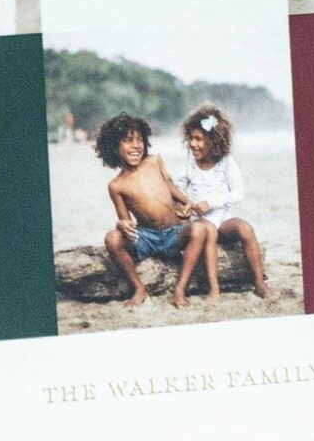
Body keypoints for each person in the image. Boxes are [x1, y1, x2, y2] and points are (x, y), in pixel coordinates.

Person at [97, 115, 214, 307]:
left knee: (199, 229)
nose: (136, 146)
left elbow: (169, 186)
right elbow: (126, 223)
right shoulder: (116, 185)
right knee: (112, 238)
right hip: (147, 238)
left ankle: (179, 289)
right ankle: (139, 288)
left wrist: (188, 202)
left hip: (174, 232)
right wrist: (121, 225)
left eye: (140, 140)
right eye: (128, 140)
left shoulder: (154, 161)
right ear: (114, 146)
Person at [170, 104, 271, 299]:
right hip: (202, 222)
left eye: (198, 139)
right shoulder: (190, 163)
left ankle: (259, 283)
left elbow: (238, 192)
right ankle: (213, 288)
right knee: (207, 229)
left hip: (224, 221)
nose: (192, 144)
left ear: (213, 141)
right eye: (190, 138)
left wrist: (211, 202)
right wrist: (183, 205)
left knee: (246, 228)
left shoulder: (226, 161)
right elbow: (178, 187)